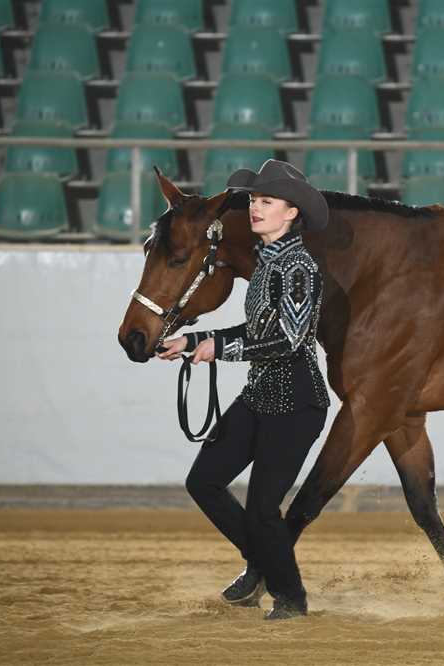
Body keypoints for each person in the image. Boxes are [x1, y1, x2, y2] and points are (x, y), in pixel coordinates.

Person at [156, 160, 331, 620]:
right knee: (203, 481)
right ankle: (264, 563)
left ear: (291, 213)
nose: (255, 207)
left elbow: (288, 340)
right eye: (254, 200)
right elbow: (255, 330)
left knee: (262, 509)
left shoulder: (298, 266)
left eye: (266, 202)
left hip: (296, 403)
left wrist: (219, 349)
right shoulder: (267, 260)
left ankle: (290, 598)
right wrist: (193, 340)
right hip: (259, 395)